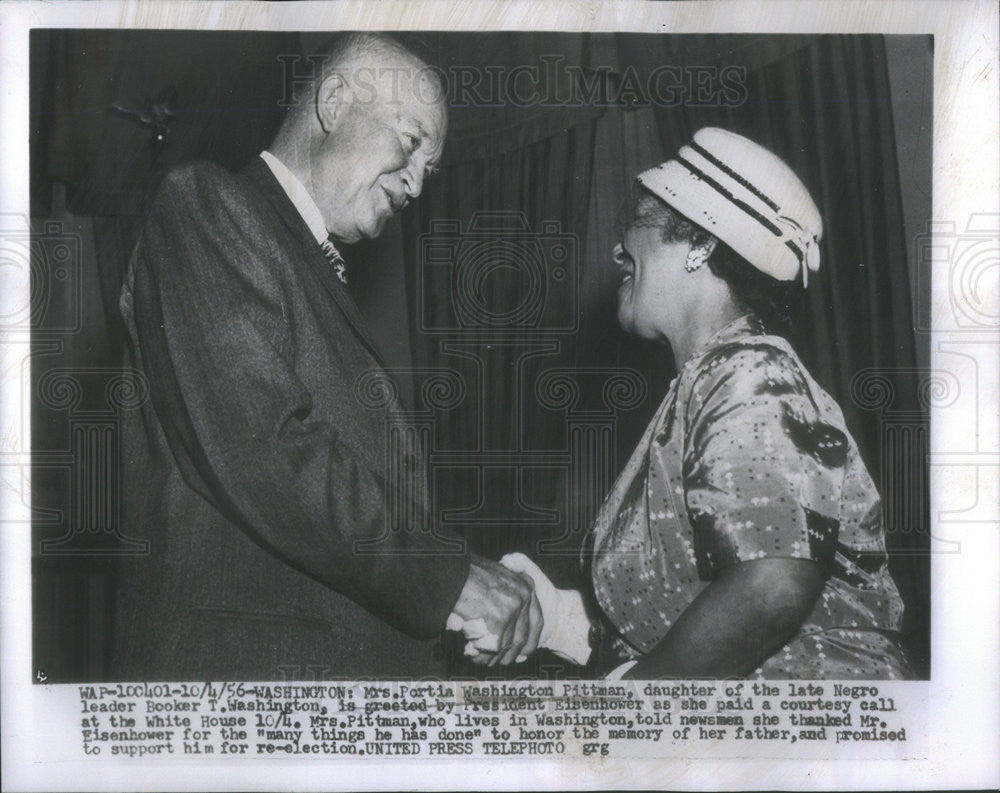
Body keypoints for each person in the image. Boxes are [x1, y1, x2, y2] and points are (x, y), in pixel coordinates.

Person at [112, 33, 540, 681]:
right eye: (413, 141)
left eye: (433, 168)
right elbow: (262, 444)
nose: (419, 183)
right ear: (336, 103)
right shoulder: (204, 205)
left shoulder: (313, 268)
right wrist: (450, 578)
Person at [477, 127, 910, 680]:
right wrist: (558, 616)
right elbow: (686, 617)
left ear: (701, 243)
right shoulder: (712, 382)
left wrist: (639, 709)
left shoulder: (751, 374)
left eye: (637, 223)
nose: (617, 248)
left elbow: (773, 582)